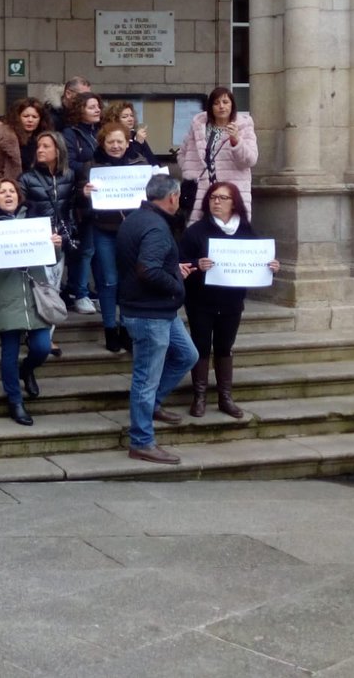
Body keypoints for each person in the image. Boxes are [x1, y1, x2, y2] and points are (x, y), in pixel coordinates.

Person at [116, 174, 200, 465]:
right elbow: (147, 269)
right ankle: (141, 441)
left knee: (187, 355)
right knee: (145, 378)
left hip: (158, 309)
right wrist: (176, 281)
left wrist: (172, 270)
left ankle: (152, 405)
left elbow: (148, 263)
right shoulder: (155, 227)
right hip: (149, 312)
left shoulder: (138, 219)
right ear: (173, 197)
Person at [179, 181, 280, 418]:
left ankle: (225, 397)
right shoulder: (196, 231)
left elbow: (259, 261)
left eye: (223, 198)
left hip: (232, 301)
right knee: (201, 347)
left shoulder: (245, 230)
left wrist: (271, 266)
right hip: (201, 301)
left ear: (234, 203)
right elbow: (180, 263)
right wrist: (196, 265)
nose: (217, 201)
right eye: (213, 197)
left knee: (225, 347)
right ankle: (200, 397)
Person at [0, 178, 63, 426]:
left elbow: (53, 259)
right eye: (2, 192)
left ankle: (26, 370)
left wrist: (56, 247)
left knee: (43, 346)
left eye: (12, 191)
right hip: (5, 295)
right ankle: (15, 401)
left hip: (35, 294)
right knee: (9, 352)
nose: (8, 195)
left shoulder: (34, 222)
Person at [78, 122, 149, 352]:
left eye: (120, 141)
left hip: (133, 231)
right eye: (111, 142)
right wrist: (84, 193)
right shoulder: (92, 166)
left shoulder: (139, 162)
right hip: (104, 229)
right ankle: (110, 328)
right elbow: (77, 199)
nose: (116, 146)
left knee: (130, 280)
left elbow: (153, 194)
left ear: (128, 141)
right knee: (109, 280)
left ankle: (126, 328)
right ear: (103, 143)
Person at [18, 129, 76, 357]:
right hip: (35, 240)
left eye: (46, 146)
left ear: (58, 150)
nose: (40, 150)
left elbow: (70, 207)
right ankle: (34, 334)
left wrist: (68, 231)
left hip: (57, 239)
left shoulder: (69, 175)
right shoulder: (27, 178)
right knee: (37, 287)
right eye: (39, 146)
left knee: (53, 287)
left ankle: (47, 337)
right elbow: (19, 210)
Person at [178, 86, 258, 224]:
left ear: (232, 105)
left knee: (229, 234)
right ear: (210, 107)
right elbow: (182, 152)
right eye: (216, 103)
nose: (221, 106)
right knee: (200, 236)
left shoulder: (243, 126)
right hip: (201, 193)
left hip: (230, 194)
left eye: (225, 102)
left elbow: (250, 160)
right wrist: (190, 171)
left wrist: (236, 141)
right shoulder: (199, 126)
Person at [62, 91, 104, 314]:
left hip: (104, 197)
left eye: (98, 106)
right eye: (91, 107)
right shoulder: (71, 133)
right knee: (85, 248)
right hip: (83, 197)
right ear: (80, 110)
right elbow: (69, 163)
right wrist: (95, 169)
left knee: (98, 248)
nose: (97, 109)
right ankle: (79, 293)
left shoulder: (101, 131)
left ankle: (91, 290)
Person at [0, 97, 45, 189]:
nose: (30, 120)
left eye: (34, 117)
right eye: (26, 116)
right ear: (18, 117)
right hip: (12, 192)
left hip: (38, 192)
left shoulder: (44, 138)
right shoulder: (4, 137)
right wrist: (0, 192)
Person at [102, 99, 158, 166]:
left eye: (131, 115)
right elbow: (126, 159)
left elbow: (152, 160)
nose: (130, 119)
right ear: (114, 119)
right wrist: (138, 143)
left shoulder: (134, 134)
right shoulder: (108, 135)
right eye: (125, 117)